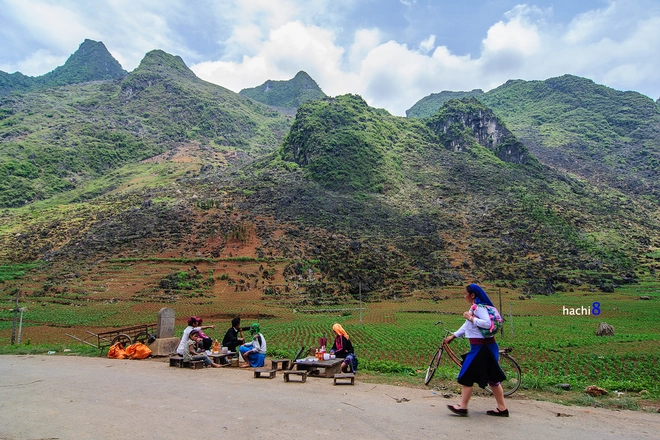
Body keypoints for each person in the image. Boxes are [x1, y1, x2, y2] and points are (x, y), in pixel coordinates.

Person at [444, 284, 508, 417]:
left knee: (466, 375)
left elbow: (487, 324)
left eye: (466, 293)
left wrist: (471, 318)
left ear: (472, 295)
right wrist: (453, 336)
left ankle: (462, 407)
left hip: (482, 348)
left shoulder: (479, 308)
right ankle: (502, 409)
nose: (464, 295)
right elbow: (467, 326)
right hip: (484, 347)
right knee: (492, 379)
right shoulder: (476, 307)